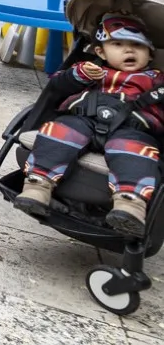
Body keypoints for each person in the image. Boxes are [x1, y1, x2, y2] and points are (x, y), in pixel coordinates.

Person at [14, 14, 164, 236]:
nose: (129, 50)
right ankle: (38, 185)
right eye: (118, 44)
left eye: (137, 45)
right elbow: (56, 86)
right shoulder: (90, 69)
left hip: (132, 129)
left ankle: (130, 204)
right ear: (100, 52)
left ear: (150, 53)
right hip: (82, 118)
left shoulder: (156, 79)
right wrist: (76, 75)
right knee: (58, 132)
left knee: (136, 152)